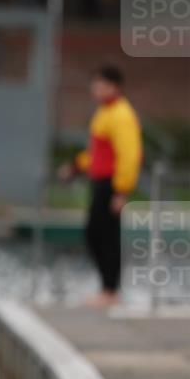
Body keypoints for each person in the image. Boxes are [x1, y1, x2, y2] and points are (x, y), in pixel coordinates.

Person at [58, 65, 142, 308]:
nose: (96, 89)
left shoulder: (121, 114)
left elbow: (130, 155)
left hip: (111, 184)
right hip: (100, 182)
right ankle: (107, 289)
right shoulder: (104, 113)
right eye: (95, 84)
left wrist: (121, 191)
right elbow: (96, 153)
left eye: (101, 85)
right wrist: (75, 167)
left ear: (115, 87)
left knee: (104, 236)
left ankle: (110, 291)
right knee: (97, 234)